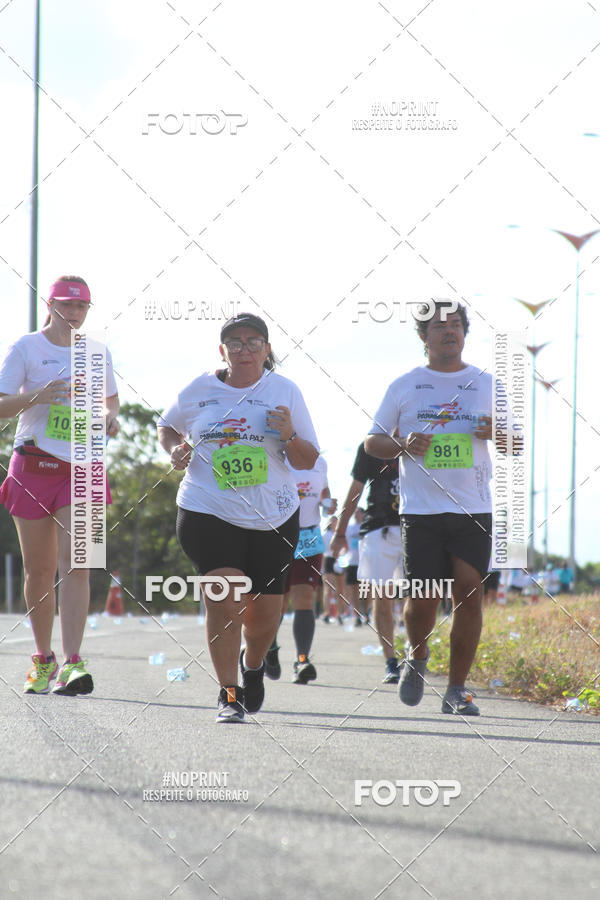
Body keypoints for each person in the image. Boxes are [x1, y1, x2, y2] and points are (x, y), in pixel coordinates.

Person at [158, 312, 319, 723]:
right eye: (235, 342)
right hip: (207, 509)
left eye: (253, 342)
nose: (244, 350)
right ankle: (228, 693)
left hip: (274, 514)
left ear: (267, 350)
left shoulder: (285, 391)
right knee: (224, 599)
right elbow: (168, 427)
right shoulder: (199, 389)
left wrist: (287, 435)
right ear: (222, 350)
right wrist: (176, 449)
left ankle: (253, 665)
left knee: (264, 615)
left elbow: (307, 459)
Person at [366, 300, 499, 716]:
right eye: (439, 327)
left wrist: (497, 431)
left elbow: (517, 441)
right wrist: (403, 444)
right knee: (423, 598)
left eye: (457, 324)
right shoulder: (405, 385)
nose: (449, 332)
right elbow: (372, 442)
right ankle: (417, 656)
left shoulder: (486, 382)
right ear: (423, 337)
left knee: (469, 595)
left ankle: (457, 690)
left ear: (465, 332)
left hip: (473, 508)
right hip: (420, 510)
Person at [0, 276, 119, 695]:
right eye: (66, 305)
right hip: (33, 465)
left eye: (81, 307)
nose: (73, 313)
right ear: (50, 305)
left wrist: (109, 416)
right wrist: (37, 397)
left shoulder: (97, 352)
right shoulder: (26, 348)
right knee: (39, 569)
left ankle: (73, 663)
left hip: (83, 468)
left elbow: (110, 400)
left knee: (79, 563)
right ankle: (43, 658)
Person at [330, 443, 403, 683]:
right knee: (382, 597)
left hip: (417, 528)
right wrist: (340, 532)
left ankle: (416, 654)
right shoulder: (371, 446)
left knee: (422, 595)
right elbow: (355, 490)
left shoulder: (426, 440)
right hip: (377, 528)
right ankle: (391, 661)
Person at [264, 455, 336, 683]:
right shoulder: (275, 456)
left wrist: (328, 503)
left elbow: (324, 490)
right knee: (278, 601)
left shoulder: (320, 462)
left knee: (305, 595)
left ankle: (302, 660)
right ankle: (269, 648)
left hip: (308, 536)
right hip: (277, 535)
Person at [321, 516, 345, 623]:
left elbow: (345, 549)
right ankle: (326, 613)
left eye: (336, 522)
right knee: (327, 588)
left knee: (340, 590)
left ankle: (339, 614)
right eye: (332, 522)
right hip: (328, 560)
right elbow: (321, 551)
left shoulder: (341, 535)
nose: (334, 523)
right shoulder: (325, 535)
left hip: (339, 561)